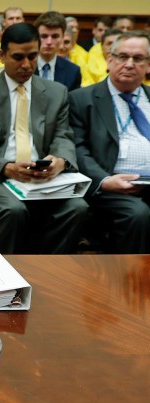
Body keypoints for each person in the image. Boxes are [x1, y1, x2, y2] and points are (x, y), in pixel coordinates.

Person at [0, 23, 88, 254]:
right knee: (12, 210)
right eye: (18, 57)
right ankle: (4, 275)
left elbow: (63, 136)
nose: (27, 65)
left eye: (32, 56)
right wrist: (8, 168)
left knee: (77, 207)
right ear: (1, 55)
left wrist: (59, 161)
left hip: (41, 175)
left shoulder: (56, 92)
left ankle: (44, 270)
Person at [69, 31, 150, 253]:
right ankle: (134, 283)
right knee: (138, 215)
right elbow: (78, 149)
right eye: (123, 56)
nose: (130, 64)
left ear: (148, 65)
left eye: (138, 58)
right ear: (110, 59)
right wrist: (104, 180)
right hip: (110, 186)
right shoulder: (82, 99)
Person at [33, 11, 81, 92]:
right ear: (36, 37)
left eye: (55, 36)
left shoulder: (72, 71)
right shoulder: (24, 66)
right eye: (44, 36)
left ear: (62, 37)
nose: (49, 42)